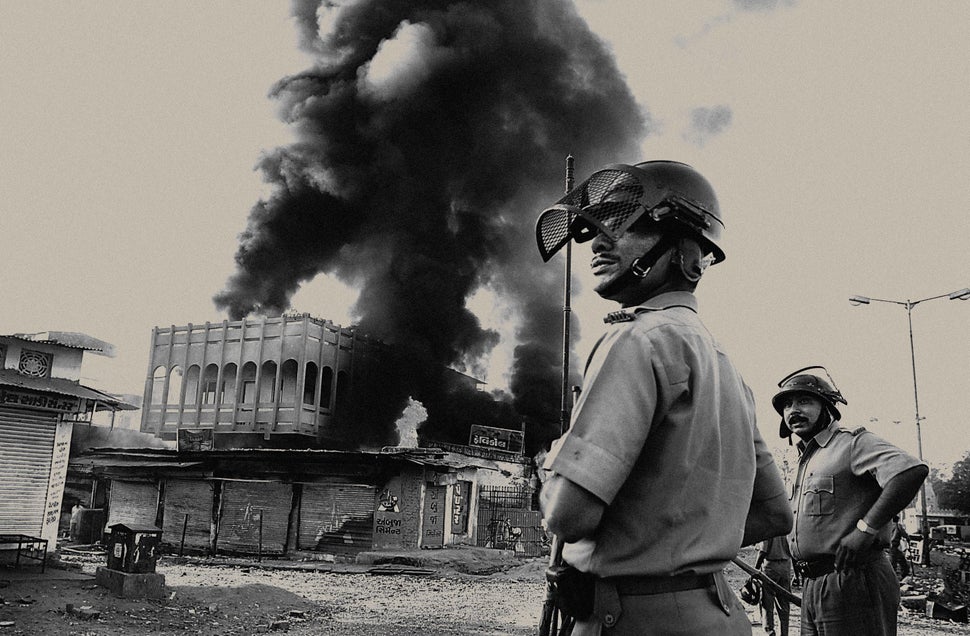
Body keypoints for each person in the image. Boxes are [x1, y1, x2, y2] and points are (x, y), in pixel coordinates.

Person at [535, 161, 793, 635]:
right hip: (719, 617)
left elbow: (566, 515)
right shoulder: (725, 365)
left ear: (686, 252)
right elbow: (775, 514)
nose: (597, 242)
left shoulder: (636, 340)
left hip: (633, 619)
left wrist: (552, 469)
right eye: (595, 229)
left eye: (626, 225)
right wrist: (681, 541)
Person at [773, 367, 929, 636]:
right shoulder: (803, 460)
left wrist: (865, 529)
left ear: (828, 408)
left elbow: (910, 471)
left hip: (853, 578)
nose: (793, 410)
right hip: (812, 584)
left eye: (804, 401)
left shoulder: (851, 443)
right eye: (787, 404)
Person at [755, 535, 793, 636]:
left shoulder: (769, 528)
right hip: (786, 566)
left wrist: (755, 569)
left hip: (770, 566)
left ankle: (770, 631)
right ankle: (784, 633)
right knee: (784, 603)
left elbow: (763, 551)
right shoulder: (787, 526)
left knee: (767, 601)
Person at [889, 514, 911, 580]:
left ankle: (903, 573)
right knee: (895, 561)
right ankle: (893, 576)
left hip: (889, 546)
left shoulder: (889, 526)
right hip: (894, 546)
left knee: (897, 560)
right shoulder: (898, 526)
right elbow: (904, 534)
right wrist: (908, 538)